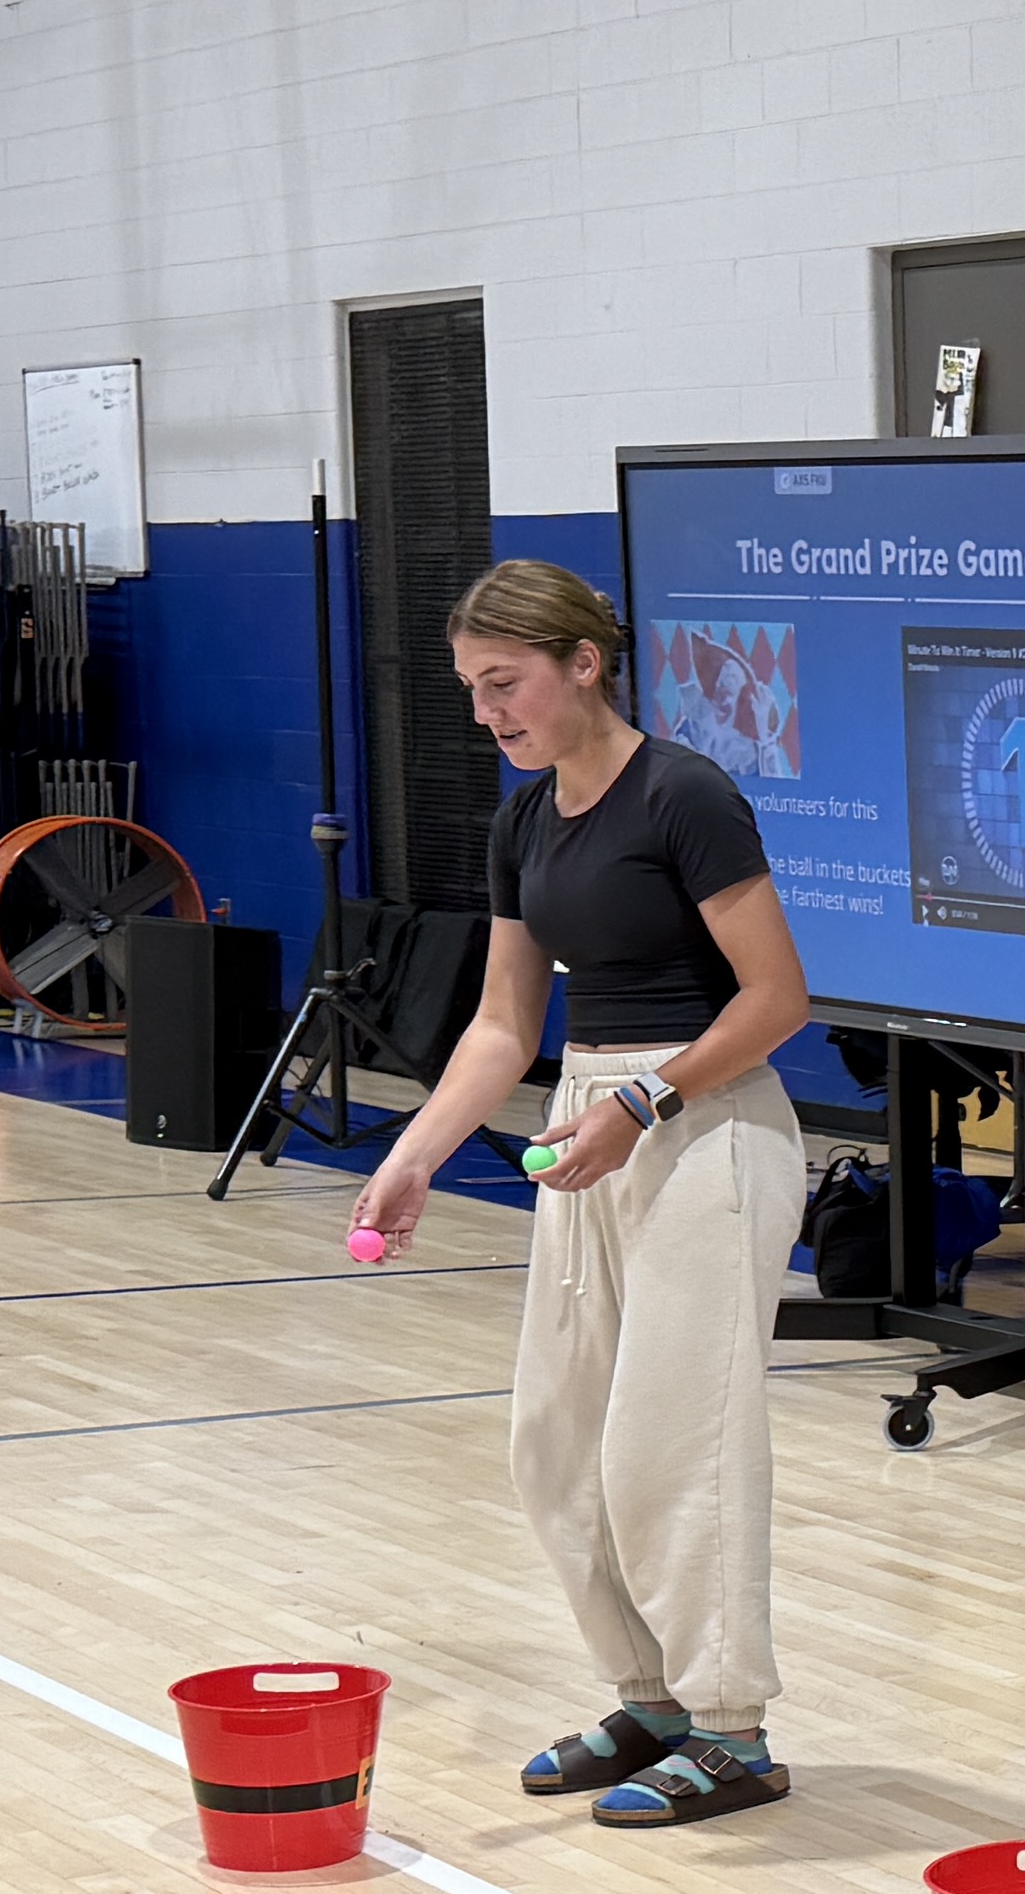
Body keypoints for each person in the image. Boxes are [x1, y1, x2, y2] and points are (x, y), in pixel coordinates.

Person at [350, 557, 820, 1827]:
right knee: (554, 1440)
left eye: (504, 684)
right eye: (471, 690)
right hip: (588, 1125)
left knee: (674, 1438)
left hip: (708, 1130)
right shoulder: (523, 822)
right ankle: (652, 1695)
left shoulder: (686, 795)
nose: (487, 713)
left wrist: (643, 1101)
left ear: (584, 665)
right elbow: (505, 1025)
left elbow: (777, 999)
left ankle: (731, 1727)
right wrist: (413, 1157)